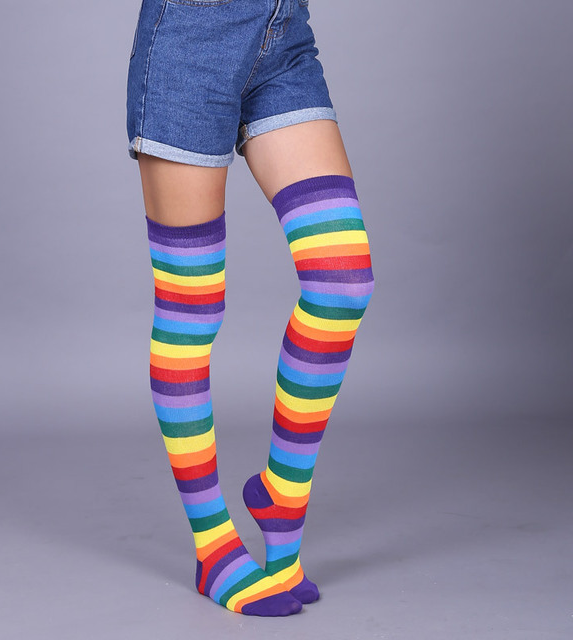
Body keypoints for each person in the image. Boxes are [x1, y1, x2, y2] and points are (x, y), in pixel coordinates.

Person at [125, 0, 374, 617]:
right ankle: (213, 547)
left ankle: (281, 500)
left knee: (342, 280)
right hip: (190, 42)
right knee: (191, 307)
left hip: (282, 34)